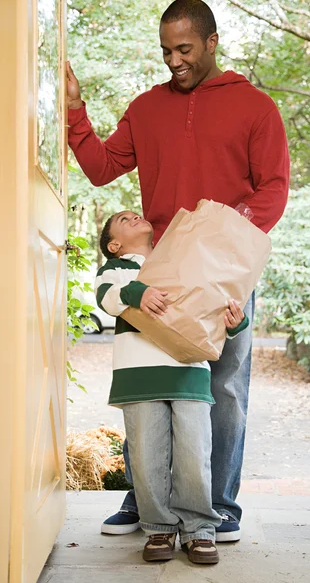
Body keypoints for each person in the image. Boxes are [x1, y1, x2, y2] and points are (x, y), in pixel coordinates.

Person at [67, 0, 290, 542]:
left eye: (185, 49)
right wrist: (74, 110)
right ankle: (145, 501)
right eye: (166, 50)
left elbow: (274, 189)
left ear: (212, 43)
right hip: (158, 275)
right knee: (148, 390)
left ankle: (217, 507)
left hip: (222, 276)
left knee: (224, 388)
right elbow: (102, 168)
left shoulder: (256, 108)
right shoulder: (146, 108)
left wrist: (226, 236)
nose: (174, 61)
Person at [95, 209, 249, 564]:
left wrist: (234, 323)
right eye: (122, 218)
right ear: (114, 244)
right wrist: (137, 294)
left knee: (194, 453)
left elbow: (209, 309)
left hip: (189, 371)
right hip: (139, 375)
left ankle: (199, 530)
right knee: (148, 456)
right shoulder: (118, 269)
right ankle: (158, 528)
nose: (133, 215)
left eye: (135, 213)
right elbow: (106, 296)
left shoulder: (182, 260)